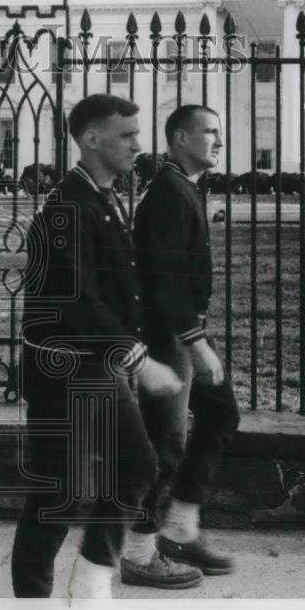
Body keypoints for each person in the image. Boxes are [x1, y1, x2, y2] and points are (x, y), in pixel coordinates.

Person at [10, 94, 199, 599]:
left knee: (67, 488)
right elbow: (80, 301)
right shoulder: (69, 205)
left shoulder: (103, 196)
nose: (139, 145)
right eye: (127, 135)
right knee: (88, 482)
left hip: (92, 364)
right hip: (69, 366)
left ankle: (74, 589)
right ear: (92, 138)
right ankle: (79, 589)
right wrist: (139, 360)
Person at [126, 104, 241, 580]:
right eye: (209, 132)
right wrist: (195, 343)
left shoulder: (183, 188)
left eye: (218, 131)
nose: (218, 140)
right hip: (169, 335)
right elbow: (166, 282)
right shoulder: (170, 194)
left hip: (183, 331)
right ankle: (137, 554)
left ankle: (182, 528)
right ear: (179, 138)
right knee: (166, 442)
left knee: (218, 414)